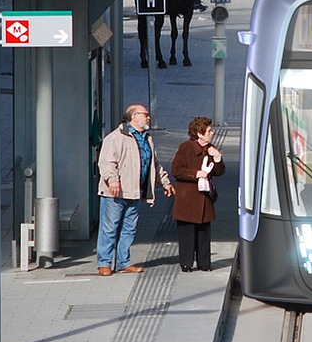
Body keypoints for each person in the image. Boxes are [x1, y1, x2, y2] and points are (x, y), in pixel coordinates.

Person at [96, 104, 172, 275]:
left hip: (136, 191)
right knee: (110, 227)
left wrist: (165, 182)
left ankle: (124, 262)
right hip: (116, 192)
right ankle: (104, 263)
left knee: (129, 228)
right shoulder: (117, 137)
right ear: (134, 116)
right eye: (145, 114)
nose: (148, 118)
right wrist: (113, 180)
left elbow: (153, 164)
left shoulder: (147, 138)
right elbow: (107, 162)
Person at [170, 116, 226, 272]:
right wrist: (196, 174)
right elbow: (176, 170)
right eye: (208, 131)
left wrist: (217, 157)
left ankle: (204, 263)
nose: (212, 133)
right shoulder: (186, 148)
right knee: (187, 233)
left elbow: (220, 172)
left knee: (204, 233)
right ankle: (186, 263)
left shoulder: (210, 149)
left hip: (205, 198)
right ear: (199, 134)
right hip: (188, 198)